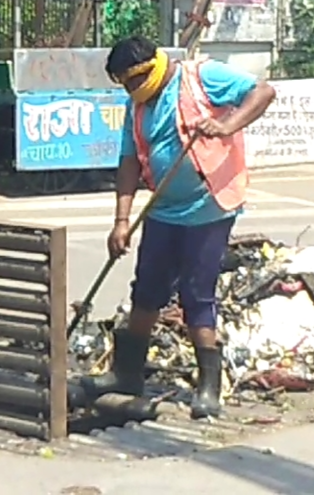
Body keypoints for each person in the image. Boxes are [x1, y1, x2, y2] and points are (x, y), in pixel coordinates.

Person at [82, 35, 276, 419]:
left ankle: (208, 389)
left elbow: (264, 92)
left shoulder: (201, 77)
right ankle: (127, 374)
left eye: (133, 81)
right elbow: (128, 163)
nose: (131, 90)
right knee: (147, 290)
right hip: (162, 209)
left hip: (209, 207)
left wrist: (226, 125)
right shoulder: (136, 106)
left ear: (150, 68)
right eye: (124, 85)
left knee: (196, 294)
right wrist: (121, 221)